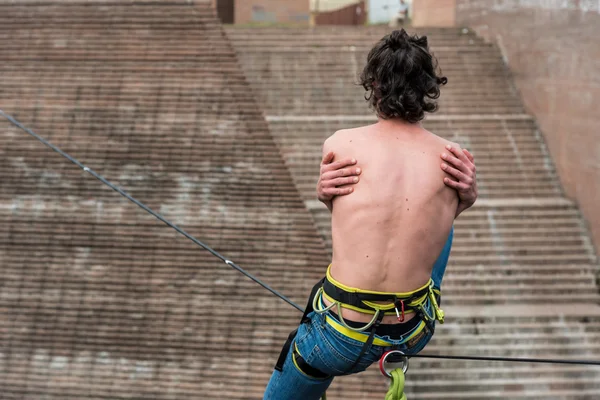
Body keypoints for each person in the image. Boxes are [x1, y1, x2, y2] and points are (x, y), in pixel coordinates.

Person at [264, 29, 477, 400]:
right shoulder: (453, 157)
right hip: (411, 333)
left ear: (375, 85)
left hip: (339, 340)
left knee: (299, 356)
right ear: (427, 87)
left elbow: (350, 212)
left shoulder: (340, 144)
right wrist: (464, 201)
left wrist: (323, 195)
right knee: (444, 217)